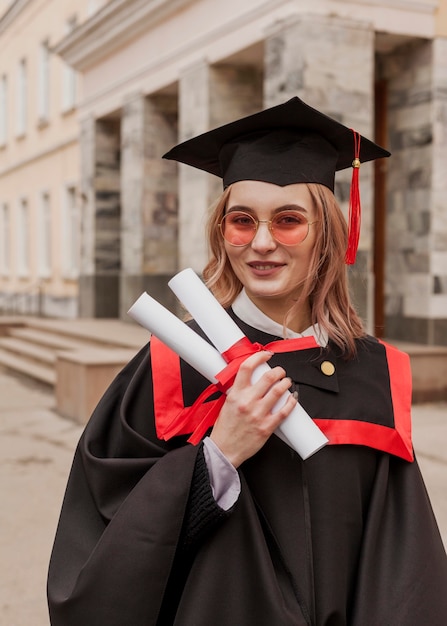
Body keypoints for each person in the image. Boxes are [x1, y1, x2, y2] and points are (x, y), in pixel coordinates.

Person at [47, 97, 447, 626]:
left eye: (288, 221)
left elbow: (402, 563)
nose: (261, 243)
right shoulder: (171, 366)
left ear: (326, 233)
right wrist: (217, 456)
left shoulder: (372, 374)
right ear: (222, 231)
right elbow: (102, 538)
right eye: (242, 221)